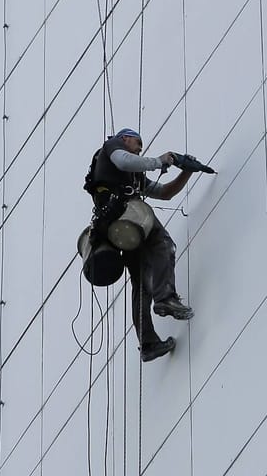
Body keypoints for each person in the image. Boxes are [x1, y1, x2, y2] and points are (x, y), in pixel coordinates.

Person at [85, 128, 196, 361]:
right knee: (164, 244)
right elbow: (124, 161)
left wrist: (186, 173)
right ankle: (166, 298)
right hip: (124, 215)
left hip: (120, 225)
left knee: (141, 280)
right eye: (138, 142)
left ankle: (148, 343)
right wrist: (159, 161)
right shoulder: (112, 148)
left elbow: (164, 193)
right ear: (125, 138)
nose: (140, 147)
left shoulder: (133, 177)